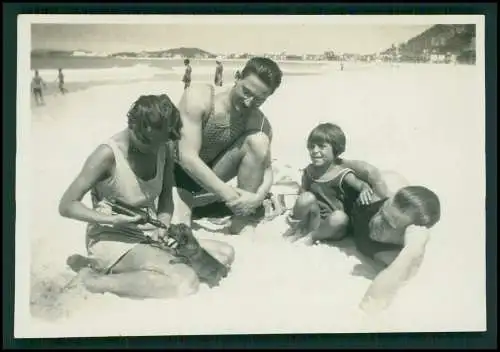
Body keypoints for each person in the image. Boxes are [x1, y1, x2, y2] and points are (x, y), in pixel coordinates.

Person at [58, 94, 235, 299]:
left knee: (224, 253)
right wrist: (112, 219)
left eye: (159, 143)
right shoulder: (107, 155)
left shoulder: (163, 147)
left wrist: (163, 224)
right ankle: (92, 279)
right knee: (184, 282)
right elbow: (67, 205)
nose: (153, 148)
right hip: (112, 238)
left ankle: (145, 268)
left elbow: (166, 198)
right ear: (133, 125)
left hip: (148, 233)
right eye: (147, 141)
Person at [172, 57, 283, 234]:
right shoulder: (200, 98)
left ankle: (241, 220)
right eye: (246, 92)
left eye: (258, 100)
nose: (248, 102)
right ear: (237, 77)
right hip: (169, 180)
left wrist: (256, 199)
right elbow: (187, 157)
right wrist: (231, 196)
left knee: (259, 141)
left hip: (206, 188)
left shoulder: (259, 123)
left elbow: (268, 170)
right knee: (178, 232)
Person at [350, 172, 441, 313]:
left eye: (388, 224)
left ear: (405, 235)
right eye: (381, 211)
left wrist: (411, 250)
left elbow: (370, 305)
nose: (377, 221)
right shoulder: (388, 190)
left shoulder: (391, 255)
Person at [283, 123, 376, 245]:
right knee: (306, 197)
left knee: (340, 217)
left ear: (336, 149)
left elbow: (361, 185)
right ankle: (297, 228)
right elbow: (303, 192)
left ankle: (312, 237)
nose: (315, 151)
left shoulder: (342, 174)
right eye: (312, 147)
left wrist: (364, 189)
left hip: (333, 226)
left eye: (321, 147)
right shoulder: (309, 171)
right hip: (314, 218)